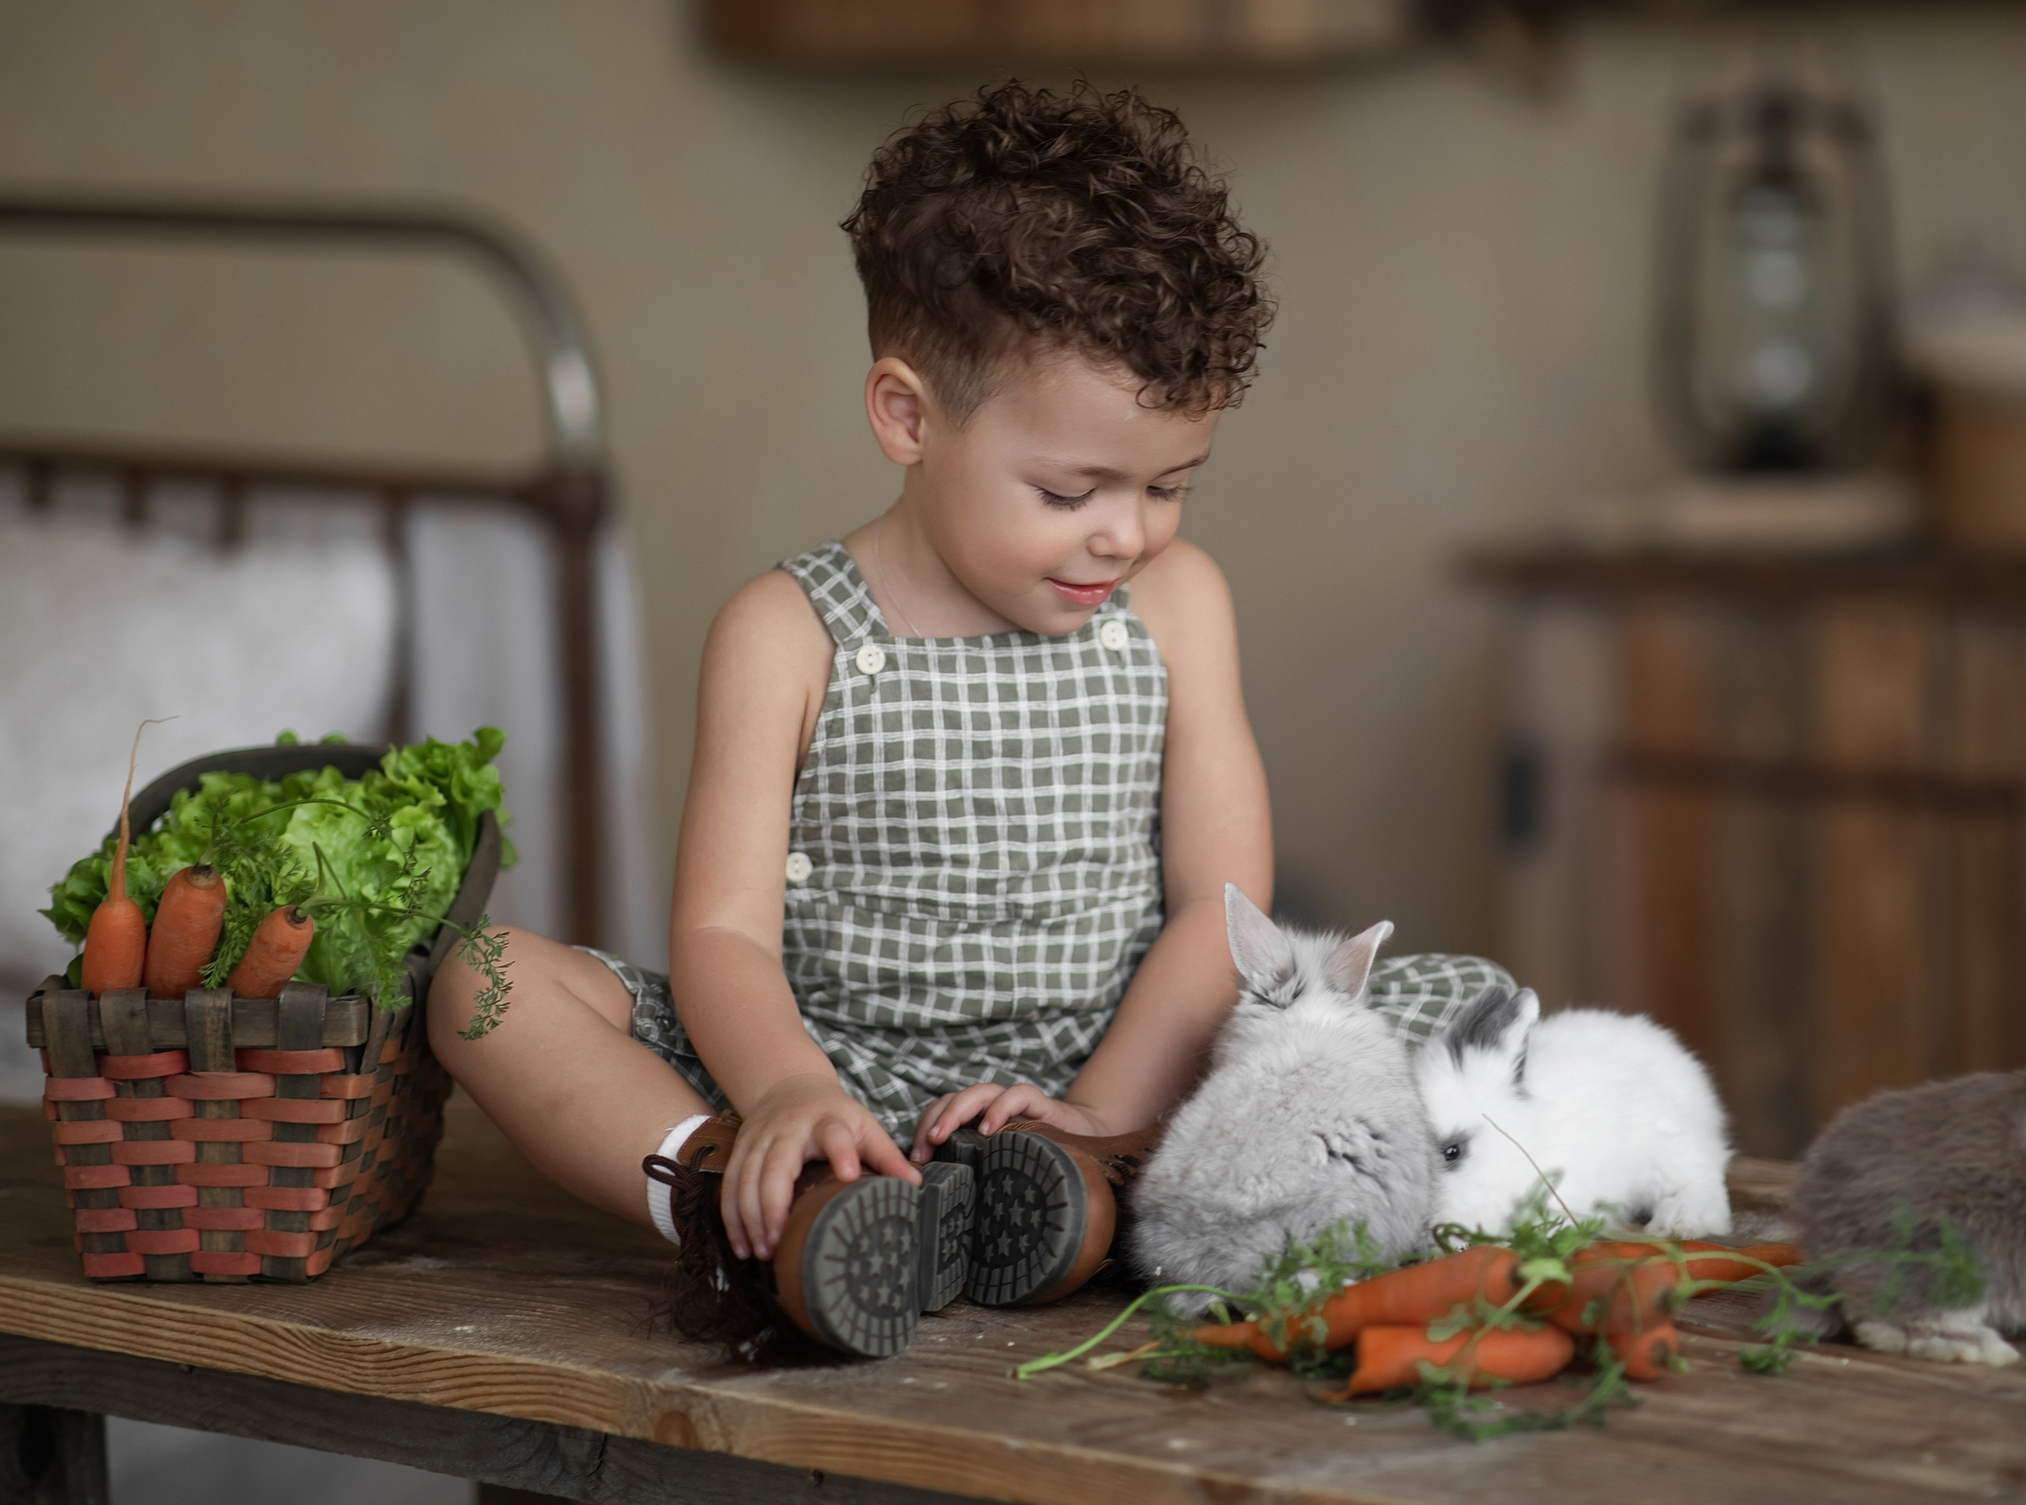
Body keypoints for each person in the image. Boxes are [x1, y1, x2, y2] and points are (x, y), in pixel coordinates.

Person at [427, 80, 1509, 1361]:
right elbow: (722, 930)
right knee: (479, 982)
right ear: (906, 415)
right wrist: (784, 1089)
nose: (1127, 531)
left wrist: (1092, 1108)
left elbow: (1222, 911)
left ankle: (1098, 1186)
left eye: (1169, 485)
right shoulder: (786, 630)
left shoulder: (1177, 606)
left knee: (1464, 1005)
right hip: (829, 1066)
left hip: (1112, 1071)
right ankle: (746, 1193)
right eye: (1069, 489)